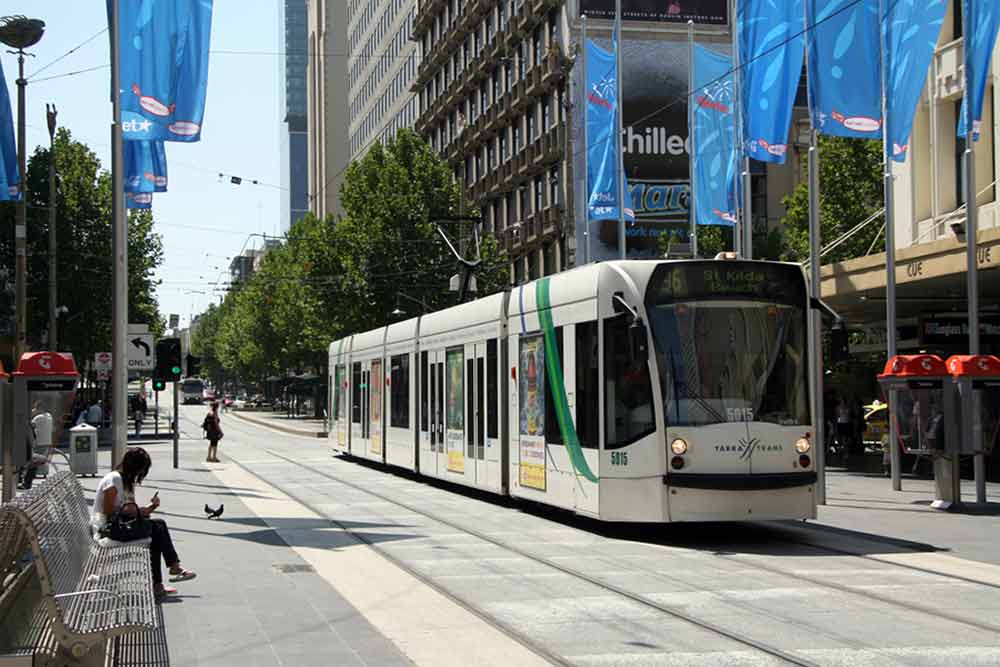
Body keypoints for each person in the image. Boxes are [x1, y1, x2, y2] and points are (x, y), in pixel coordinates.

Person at [92, 447, 196, 598]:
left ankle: (161, 581)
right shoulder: (114, 479)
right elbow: (108, 512)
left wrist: (152, 506)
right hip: (106, 529)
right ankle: (171, 569)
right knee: (157, 526)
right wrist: (130, 512)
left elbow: (131, 512)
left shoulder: (126, 483)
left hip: (118, 527)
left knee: (156, 530)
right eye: (141, 471)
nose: (140, 475)